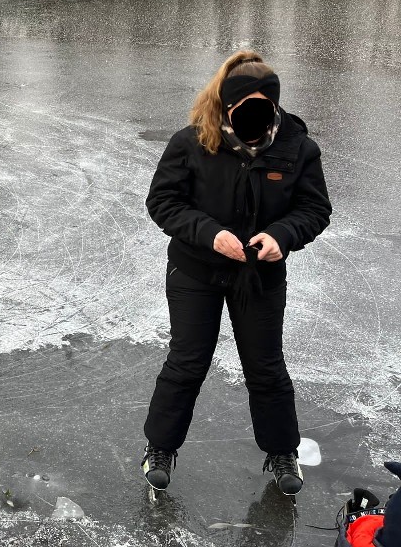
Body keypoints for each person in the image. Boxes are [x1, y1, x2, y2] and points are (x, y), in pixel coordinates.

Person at [140, 49, 332, 495]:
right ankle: (159, 447)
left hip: (259, 276)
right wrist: (209, 234)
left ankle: (282, 451)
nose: (259, 118)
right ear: (228, 106)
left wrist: (281, 236)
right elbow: (163, 203)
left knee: (265, 367)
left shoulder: (297, 148)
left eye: (266, 109)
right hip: (196, 271)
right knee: (187, 362)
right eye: (248, 108)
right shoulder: (191, 142)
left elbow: (314, 208)